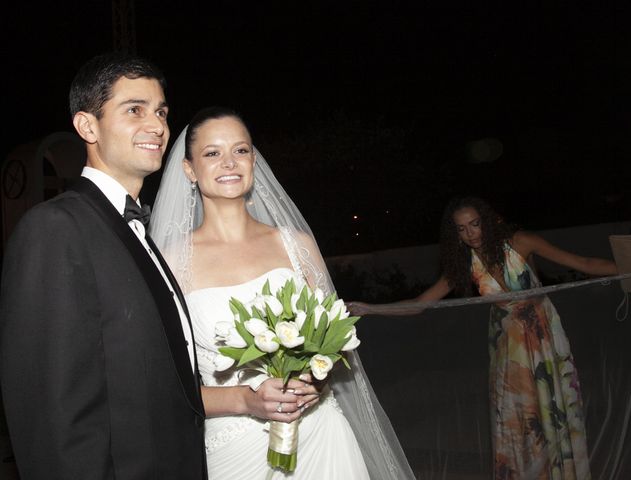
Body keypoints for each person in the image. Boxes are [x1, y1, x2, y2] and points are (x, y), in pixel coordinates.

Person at [149, 106, 415, 479]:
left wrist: (316, 383)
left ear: (254, 160)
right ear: (190, 169)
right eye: (212, 153)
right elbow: (163, 384)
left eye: (240, 150)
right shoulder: (169, 262)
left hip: (320, 437)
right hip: (233, 449)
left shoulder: (297, 245)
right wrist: (246, 399)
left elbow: (334, 340)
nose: (229, 162)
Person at [0, 52, 206, 479]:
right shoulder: (56, 227)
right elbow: (54, 414)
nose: (158, 126)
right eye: (135, 110)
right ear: (87, 126)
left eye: (161, 112)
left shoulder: (134, 229)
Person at [350, 196, 618, 480]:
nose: (470, 234)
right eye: (462, 228)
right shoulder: (466, 263)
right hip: (509, 346)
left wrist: (629, 266)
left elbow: (583, 262)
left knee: (551, 412)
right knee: (519, 419)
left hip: (543, 337)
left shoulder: (521, 242)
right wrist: (370, 308)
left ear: (487, 221)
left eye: (475, 224)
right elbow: (420, 303)